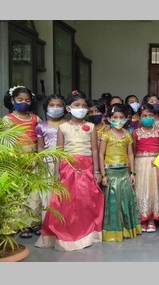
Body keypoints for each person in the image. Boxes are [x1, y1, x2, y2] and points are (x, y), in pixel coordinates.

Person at [35, 90, 104, 251]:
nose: (81, 108)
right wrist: (57, 171)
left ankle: (87, 234)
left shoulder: (91, 127)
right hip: (67, 166)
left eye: (84, 106)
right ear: (68, 108)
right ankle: (65, 235)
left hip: (87, 167)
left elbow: (94, 150)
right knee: (65, 202)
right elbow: (59, 150)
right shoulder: (63, 127)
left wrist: (97, 171)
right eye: (77, 105)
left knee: (86, 201)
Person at [3, 85, 43, 238]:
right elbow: (5, 141)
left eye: (27, 100)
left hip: (34, 158)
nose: (24, 103)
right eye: (20, 100)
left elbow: (40, 140)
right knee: (18, 193)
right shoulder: (8, 120)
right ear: (12, 100)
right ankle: (19, 225)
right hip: (16, 160)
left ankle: (33, 223)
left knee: (34, 192)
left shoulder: (36, 118)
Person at [99, 104, 142, 241]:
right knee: (113, 202)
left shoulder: (128, 135)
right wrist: (103, 174)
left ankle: (127, 229)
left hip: (124, 172)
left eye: (121, 117)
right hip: (110, 172)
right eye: (115, 117)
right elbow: (101, 154)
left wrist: (132, 173)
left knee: (126, 200)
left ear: (126, 119)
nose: (118, 120)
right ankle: (113, 231)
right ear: (109, 118)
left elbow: (130, 155)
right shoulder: (106, 135)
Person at [133, 103, 159, 233]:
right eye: (144, 116)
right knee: (141, 189)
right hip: (140, 164)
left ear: (154, 116)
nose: (148, 117)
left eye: (150, 115)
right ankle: (142, 218)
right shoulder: (135, 133)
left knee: (154, 189)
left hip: (155, 164)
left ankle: (152, 219)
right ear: (140, 118)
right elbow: (134, 149)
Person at [35, 94, 66, 222]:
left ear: (65, 108)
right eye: (52, 105)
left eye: (59, 105)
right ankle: (49, 224)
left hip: (65, 163)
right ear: (46, 108)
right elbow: (40, 147)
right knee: (47, 195)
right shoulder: (41, 126)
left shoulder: (68, 125)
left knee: (64, 194)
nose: (55, 108)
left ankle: (64, 223)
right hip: (48, 163)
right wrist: (41, 163)